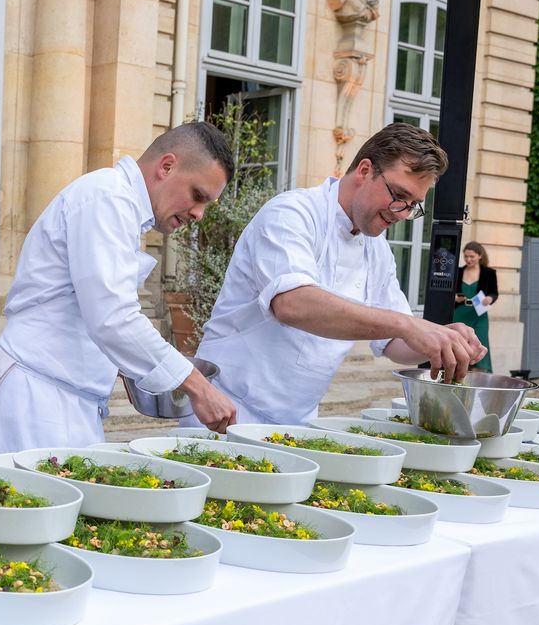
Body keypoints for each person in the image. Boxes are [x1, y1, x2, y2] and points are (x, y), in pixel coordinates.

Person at [0, 122, 239, 452]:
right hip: (31, 399)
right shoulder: (106, 197)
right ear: (167, 166)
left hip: (62, 400)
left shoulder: (121, 207)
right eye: (198, 195)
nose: (199, 214)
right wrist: (198, 387)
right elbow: (113, 318)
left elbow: (86, 312)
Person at [181, 122, 485, 428]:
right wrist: (408, 324)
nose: (402, 213)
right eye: (399, 195)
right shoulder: (292, 213)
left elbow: (394, 343)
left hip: (297, 422)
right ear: (365, 170)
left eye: (413, 205)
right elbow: (293, 304)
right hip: (223, 407)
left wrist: (441, 339)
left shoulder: (377, 249)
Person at [453, 240, 498, 372]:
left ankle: (479, 381)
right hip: (459, 314)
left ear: (480, 256)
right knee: (459, 346)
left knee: (480, 346)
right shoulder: (458, 271)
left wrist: (490, 298)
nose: (468, 259)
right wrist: (454, 298)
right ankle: (458, 377)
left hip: (479, 315)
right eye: (466, 256)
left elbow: (494, 292)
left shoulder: (489, 273)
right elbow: (449, 293)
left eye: (471, 256)